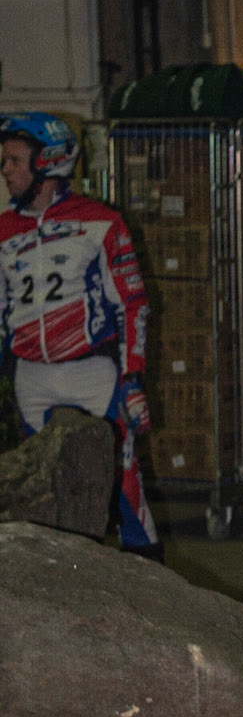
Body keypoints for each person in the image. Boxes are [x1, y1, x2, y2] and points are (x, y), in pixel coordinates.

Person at [0, 114, 160, 556]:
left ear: (47, 163)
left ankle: (152, 577)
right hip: (31, 380)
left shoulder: (101, 222)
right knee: (43, 489)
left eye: (14, 160)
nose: (5, 170)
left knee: (123, 482)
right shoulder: (2, 230)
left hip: (93, 376)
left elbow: (133, 305)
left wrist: (133, 378)